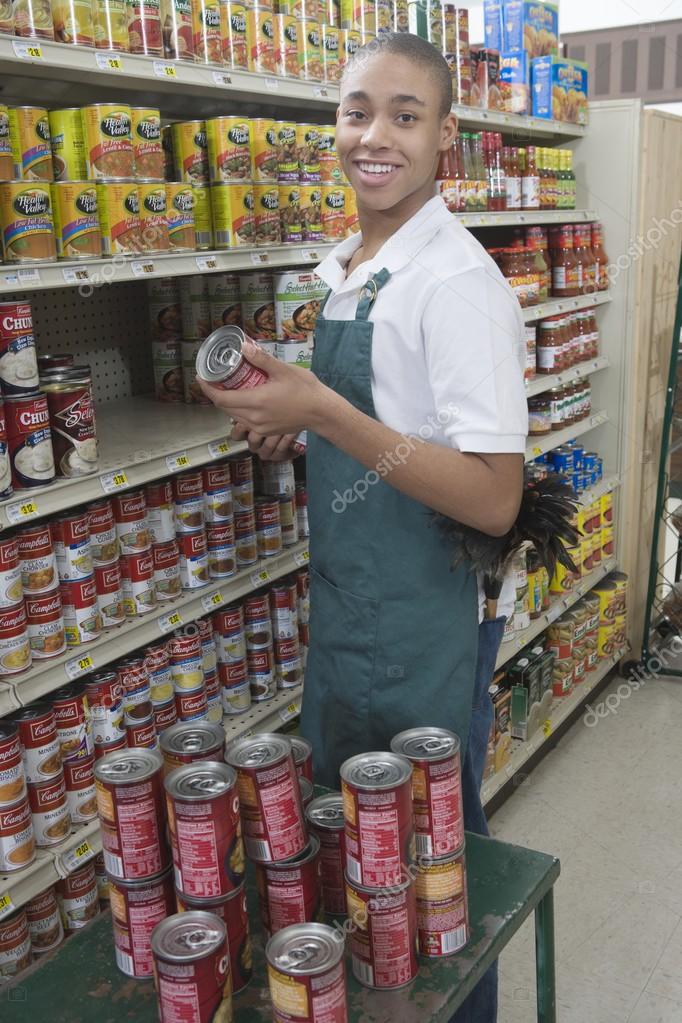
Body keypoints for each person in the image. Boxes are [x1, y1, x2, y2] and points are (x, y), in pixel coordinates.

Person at [200, 31, 528, 1022]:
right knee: (357, 863)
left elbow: (493, 496)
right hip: (350, 614)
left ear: (445, 141)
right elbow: (389, 436)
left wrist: (325, 414)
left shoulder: (455, 283)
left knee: (428, 877)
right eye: (354, 111)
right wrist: (293, 434)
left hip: (421, 618)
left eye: (404, 115)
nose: (372, 136)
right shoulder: (355, 265)